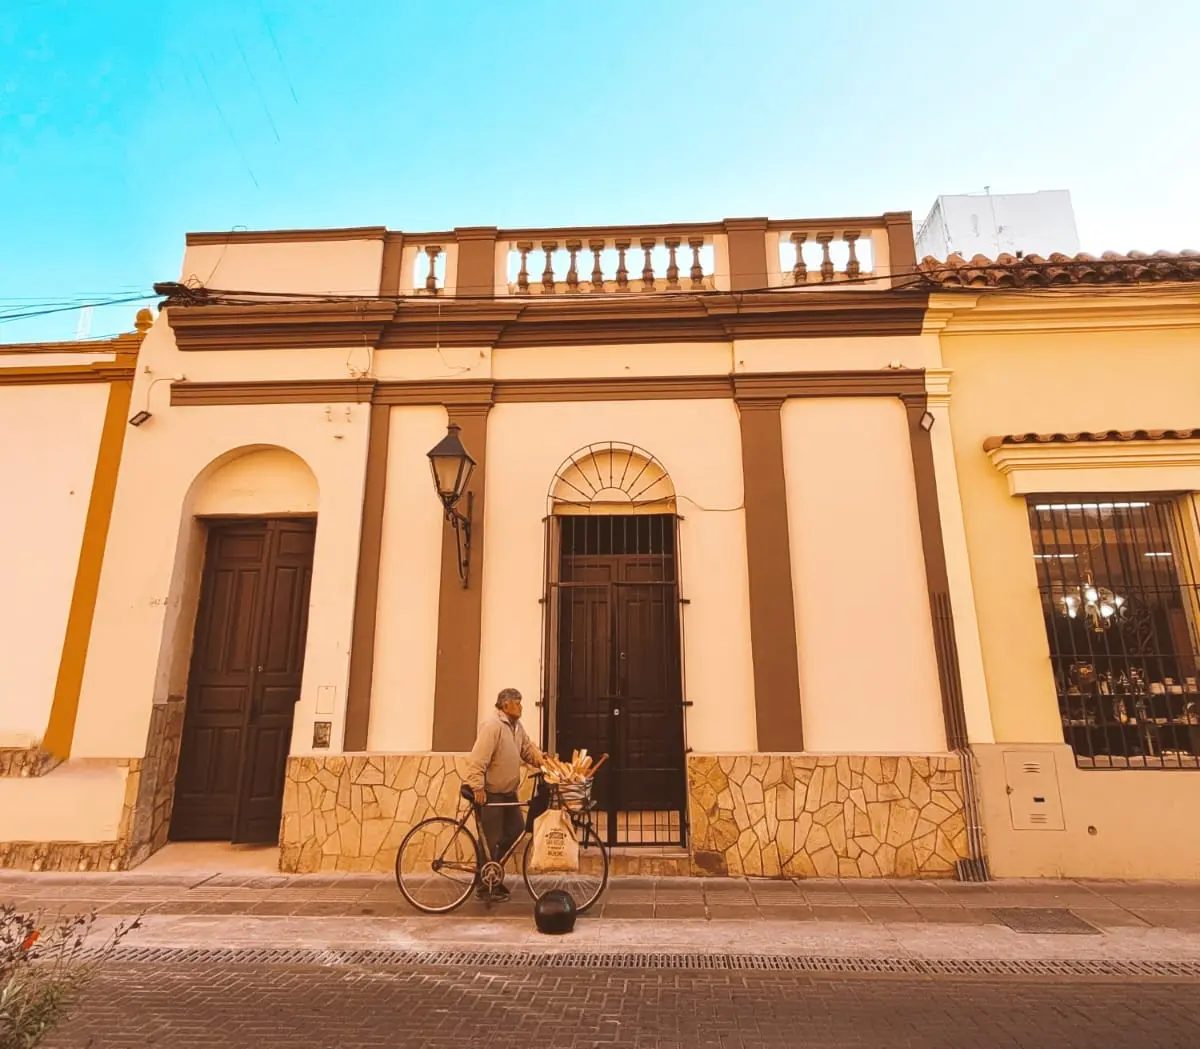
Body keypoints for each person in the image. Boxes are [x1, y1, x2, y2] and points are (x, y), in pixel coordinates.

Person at [464, 687, 544, 899]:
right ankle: (485, 885)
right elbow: (478, 759)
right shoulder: (493, 727)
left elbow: (527, 749)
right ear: (505, 705)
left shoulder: (516, 727)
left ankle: (493, 872)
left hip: (509, 792)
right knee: (491, 839)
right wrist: (477, 787)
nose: (521, 706)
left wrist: (543, 761)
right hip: (492, 793)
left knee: (516, 829)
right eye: (517, 703)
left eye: (521, 702)